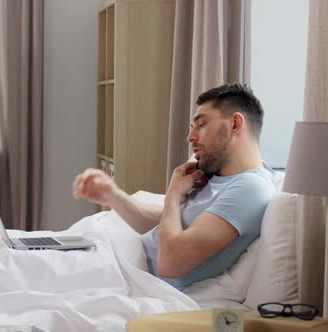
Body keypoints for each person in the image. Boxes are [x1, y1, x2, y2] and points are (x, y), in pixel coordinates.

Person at [72, 83, 277, 290]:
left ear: (234, 124)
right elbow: (165, 226)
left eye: (201, 124)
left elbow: (170, 263)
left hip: (126, 273)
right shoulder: (216, 176)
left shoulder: (250, 188)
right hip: (115, 255)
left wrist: (173, 195)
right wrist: (112, 195)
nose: (191, 137)